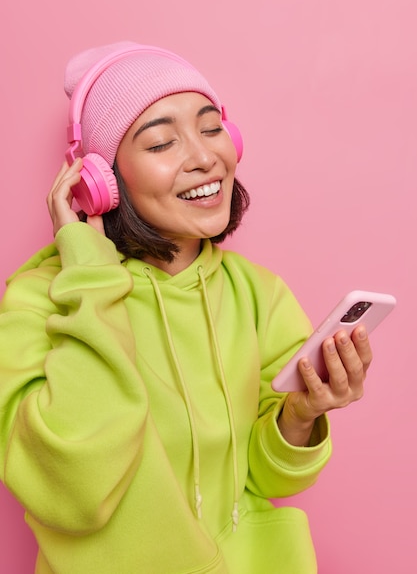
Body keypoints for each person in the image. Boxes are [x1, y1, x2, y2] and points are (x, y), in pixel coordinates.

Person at [0, 41, 372, 574]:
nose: (203, 157)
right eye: (160, 143)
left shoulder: (258, 295)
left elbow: (270, 480)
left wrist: (302, 413)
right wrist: (88, 270)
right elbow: (75, 491)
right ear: (99, 180)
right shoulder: (39, 301)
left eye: (211, 127)